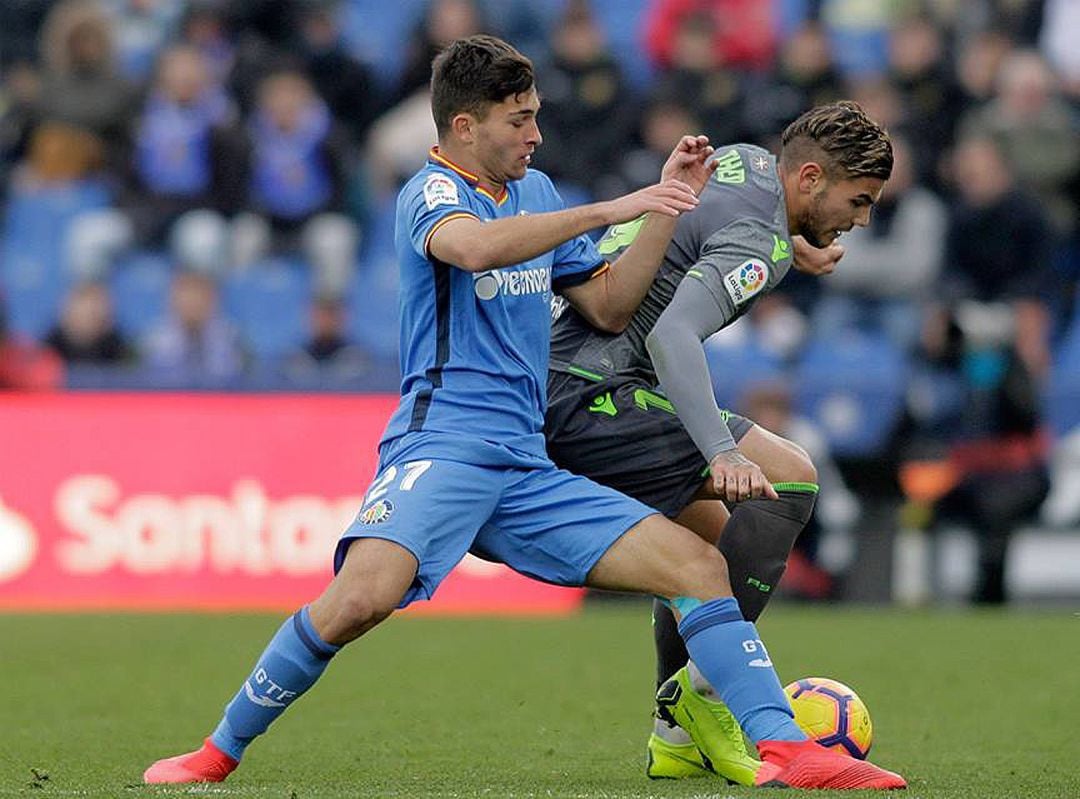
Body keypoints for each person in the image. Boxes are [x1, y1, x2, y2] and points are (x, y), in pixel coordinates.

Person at [142, 37, 904, 790]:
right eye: (519, 120)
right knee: (358, 601)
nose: (536, 135)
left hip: (528, 458)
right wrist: (612, 206)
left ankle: (786, 748)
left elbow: (609, 305)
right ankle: (216, 751)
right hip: (443, 446)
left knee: (697, 563)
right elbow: (473, 250)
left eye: (536, 116)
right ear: (466, 127)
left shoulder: (537, 194)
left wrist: (669, 209)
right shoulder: (432, 194)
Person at [545, 101, 894, 780]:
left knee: (703, 549)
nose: (860, 219)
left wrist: (790, 243)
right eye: (858, 200)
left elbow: (719, 221)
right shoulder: (760, 242)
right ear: (812, 178)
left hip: (559, 368)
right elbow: (670, 335)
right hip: (595, 389)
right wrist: (720, 451)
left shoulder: (747, 160)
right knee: (790, 476)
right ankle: (700, 698)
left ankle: (674, 738)